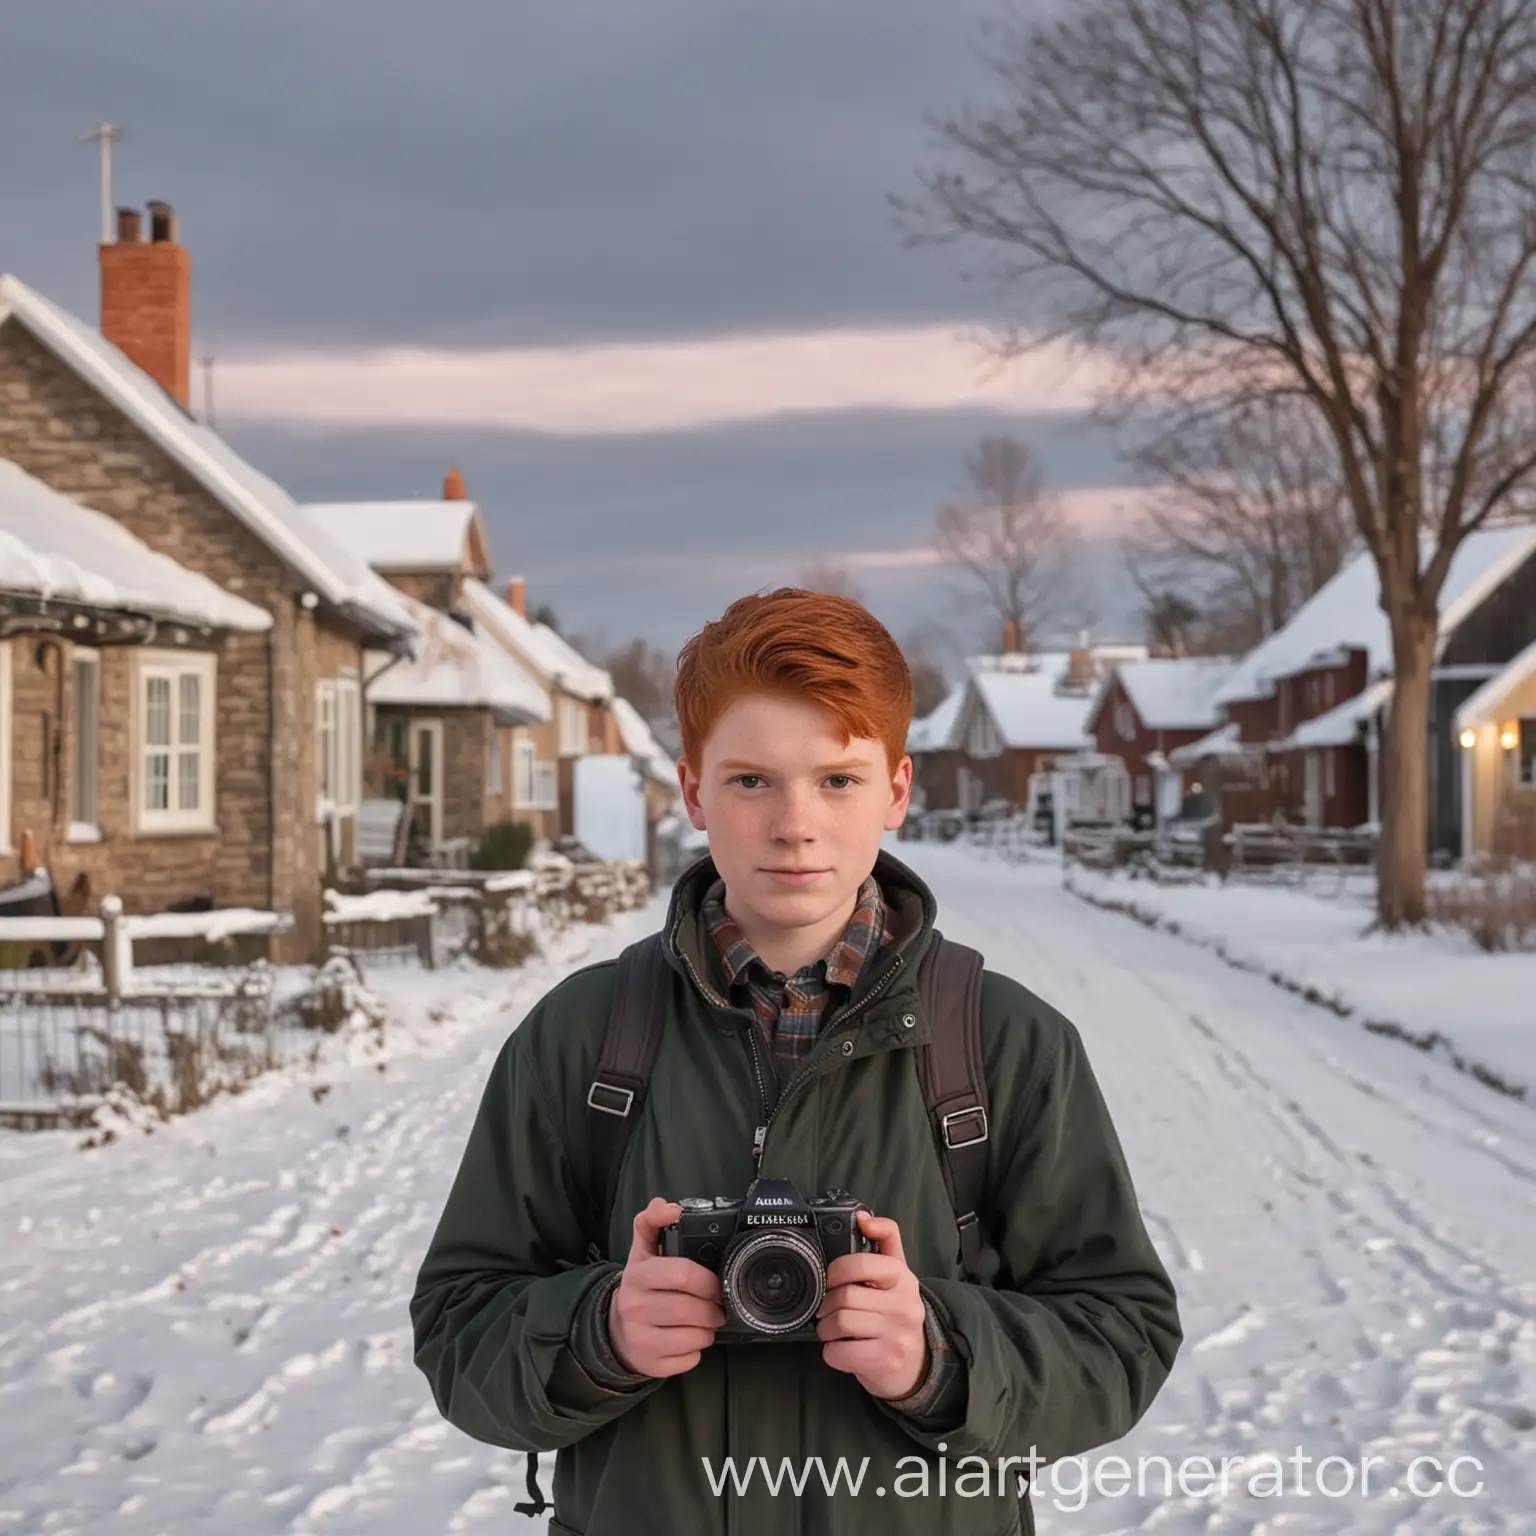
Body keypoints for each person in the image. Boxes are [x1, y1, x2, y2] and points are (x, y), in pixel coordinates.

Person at [411, 589, 1181, 1534]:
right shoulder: (584, 1037)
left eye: (838, 781)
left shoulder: (1003, 1045)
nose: (795, 824)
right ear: (692, 791)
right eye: (750, 781)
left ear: (897, 789)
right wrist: (597, 1335)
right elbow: (456, 1327)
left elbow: (1124, 1337)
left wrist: (940, 1353)